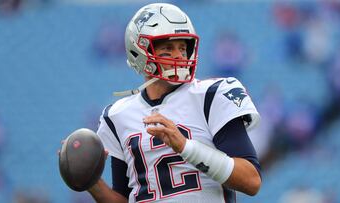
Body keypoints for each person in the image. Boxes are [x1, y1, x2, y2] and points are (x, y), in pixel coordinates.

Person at [88, 3, 262, 202]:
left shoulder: (212, 96)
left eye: (182, 47)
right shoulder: (117, 116)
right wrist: (91, 183)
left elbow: (251, 180)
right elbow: (123, 198)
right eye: (167, 49)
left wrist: (185, 147)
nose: (179, 56)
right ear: (140, 53)